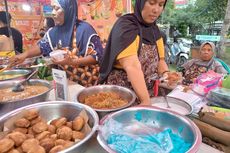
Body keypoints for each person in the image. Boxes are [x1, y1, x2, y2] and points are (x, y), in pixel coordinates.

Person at [10, 0, 103, 86]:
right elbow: (41, 47)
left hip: (88, 83)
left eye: (57, 8)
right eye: (52, 8)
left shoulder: (84, 30)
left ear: (68, 9)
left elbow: (97, 57)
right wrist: (24, 55)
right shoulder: (53, 32)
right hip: (67, 83)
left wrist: (72, 62)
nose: (53, 13)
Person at [99, 0, 169, 105]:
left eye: (160, 5)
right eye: (152, 3)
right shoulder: (125, 26)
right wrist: (145, 101)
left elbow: (160, 61)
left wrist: (166, 74)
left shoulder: (154, 30)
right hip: (120, 97)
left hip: (145, 94)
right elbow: (132, 66)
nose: (156, 10)